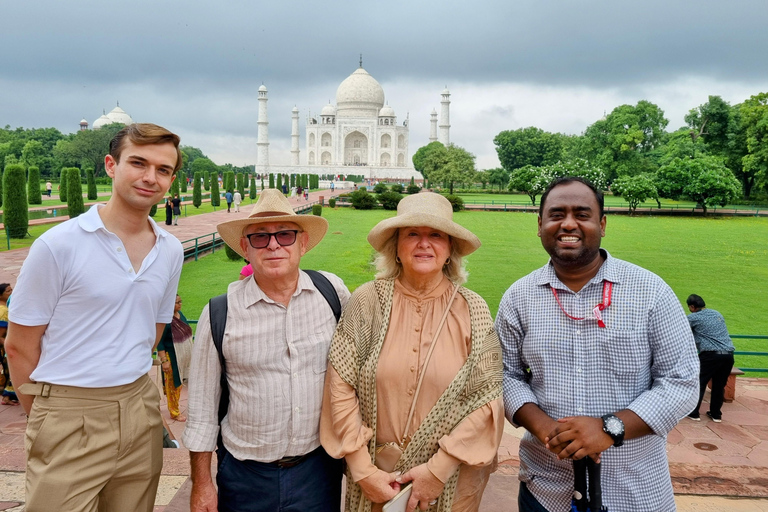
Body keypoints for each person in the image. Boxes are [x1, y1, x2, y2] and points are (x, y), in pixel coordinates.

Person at [5, 123, 184, 512]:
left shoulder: (169, 250)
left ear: (171, 179)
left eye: (163, 169)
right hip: (68, 410)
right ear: (110, 165)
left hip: (138, 406)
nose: (150, 177)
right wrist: (50, 416)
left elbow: (151, 331)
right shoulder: (58, 245)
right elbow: (19, 346)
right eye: (138, 163)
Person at [496, 176, 699, 512]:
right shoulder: (519, 297)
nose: (569, 224)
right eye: (557, 214)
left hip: (634, 489)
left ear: (602, 224)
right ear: (540, 225)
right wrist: (546, 428)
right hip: (546, 489)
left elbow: (682, 382)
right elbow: (504, 375)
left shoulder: (650, 292)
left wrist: (609, 428)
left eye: (582, 214)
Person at [320, 192, 504, 512]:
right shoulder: (367, 302)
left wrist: (437, 470)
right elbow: (340, 386)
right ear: (397, 247)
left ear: (449, 250)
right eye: (412, 234)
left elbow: (487, 400)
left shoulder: (472, 309)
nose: (424, 244)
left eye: (435, 235)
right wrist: (363, 471)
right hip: (377, 483)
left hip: (448, 483)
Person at [184, 189, 351, 512]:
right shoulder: (221, 312)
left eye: (285, 235)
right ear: (245, 248)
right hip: (247, 475)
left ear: (302, 243)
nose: (273, 245)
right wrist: (202, 485)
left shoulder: (331, 293)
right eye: (260, 238)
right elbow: (203, 410)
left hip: (317, 469)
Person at [686, 294, 735, 423]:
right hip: (728, 354)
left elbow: (681, 331)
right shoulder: (716, 313)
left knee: (700, 383)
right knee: (719, 385)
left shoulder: (693, 317)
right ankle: (716, 414)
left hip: (710, 355)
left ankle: (694, 412)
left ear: (692, 306)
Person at [157, 294, 194, 421]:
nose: (180, 304)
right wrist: (164, 361)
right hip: (171, 358)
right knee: (173, 385)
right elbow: (159, 342)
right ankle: (174, 412)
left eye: (180, 301)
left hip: (181, 358)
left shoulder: (180, 315)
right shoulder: (165, 320)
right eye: (176, 302)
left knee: (172, 384)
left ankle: (156, 403)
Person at [0, 283, 18, 406]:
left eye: (11, 290)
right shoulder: (5, 312)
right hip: (5, 346)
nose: (11, 293)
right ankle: (7, 397)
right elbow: (1, 335)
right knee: (10, 372)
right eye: (8, 291)